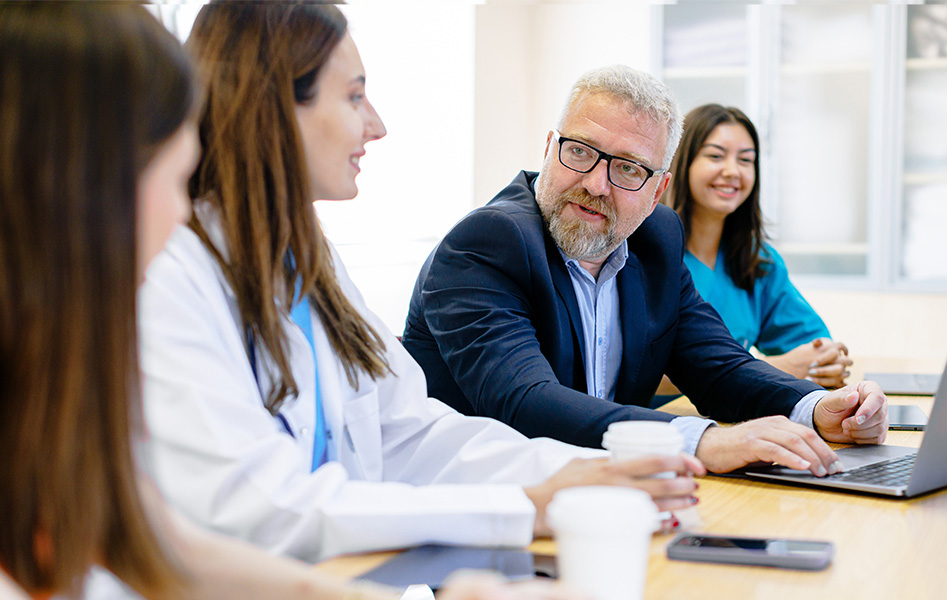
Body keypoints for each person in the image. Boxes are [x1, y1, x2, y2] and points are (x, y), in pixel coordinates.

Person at [0, 5, 538, 600]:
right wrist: (517, 505)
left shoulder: (62, 362)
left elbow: (156, 545)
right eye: (171, 180)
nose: (183, 214)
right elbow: (251, 508)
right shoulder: (170, 281)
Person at [137, 3, 702, 565]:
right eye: (354, 96)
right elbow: (264, 508)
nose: (376, 125)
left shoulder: (310, 262)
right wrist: (524, 506)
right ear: (273, 109)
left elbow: (409, 430)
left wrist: (580, 474)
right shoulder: (171, 278)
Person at [403, 65, 889, 476]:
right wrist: (700, 441)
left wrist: (820, 408)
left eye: (629, 168)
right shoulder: (487, 242)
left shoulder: (655, 240)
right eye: (579, 151)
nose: (595, 183)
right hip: (491, 513)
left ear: (657, 190)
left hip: (609, 494)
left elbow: (718, 367)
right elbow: (526, 401)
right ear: (550, 148)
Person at [663, 104, 852, 389]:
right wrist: (776, 368)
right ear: (682, 163)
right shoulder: (645, 254)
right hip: (656, 424)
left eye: (746, 160)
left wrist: (826, 362)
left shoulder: (757, 261)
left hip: (734, 420)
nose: (732, 171)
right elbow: (635, 372)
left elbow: (816, 347)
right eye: (715, 156)